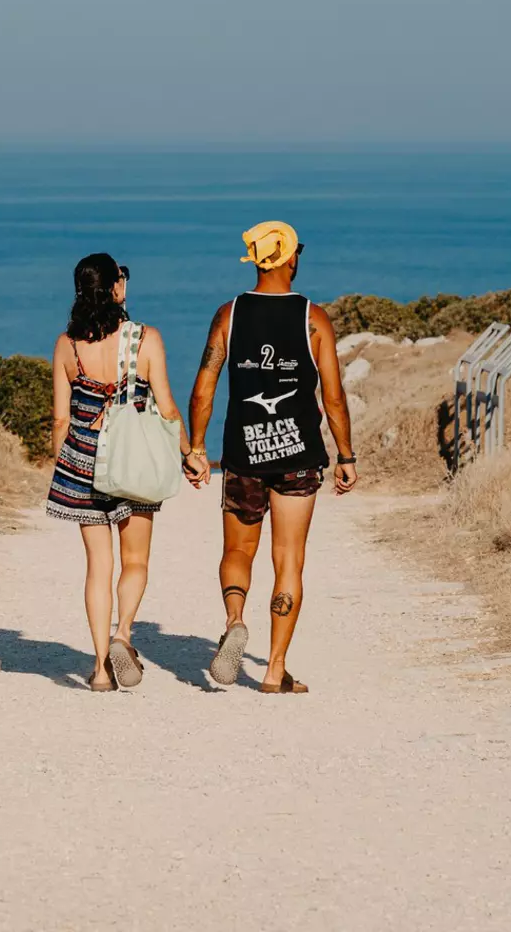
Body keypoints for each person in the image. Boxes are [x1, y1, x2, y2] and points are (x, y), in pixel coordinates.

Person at [182, 221, 356, 693]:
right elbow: (333, 397)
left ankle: (235, 620)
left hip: (243, 456)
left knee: (238, 551)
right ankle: (275, 670)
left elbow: (203, 389)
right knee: (289, 560)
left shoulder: (230, 315)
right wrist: (346, 455)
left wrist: (197, 448)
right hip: (298, 457)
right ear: (289, 258)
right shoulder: (314, 319)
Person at [47, 252, 198, 691]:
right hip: (133, 460)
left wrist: (63, 465)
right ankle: (123, 635)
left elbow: (60, 419)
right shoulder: (145, 339)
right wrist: (189, 454)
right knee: (135, 561)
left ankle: (99, 670)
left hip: (83, 462)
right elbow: (167, 408)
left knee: (98, 566)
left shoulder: (67, 345)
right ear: (118, 287)